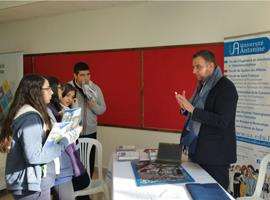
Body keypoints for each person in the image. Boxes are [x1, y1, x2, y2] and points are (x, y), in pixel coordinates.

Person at [0, 74, 76, 200]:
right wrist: (65, 141)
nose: (52, 92)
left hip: (30, 181)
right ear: (35, 92)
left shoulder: (28, 111)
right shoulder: (31, 118)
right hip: (30, 184)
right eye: (48, 89)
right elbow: (35, 156)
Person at [175, 50, 238, 190]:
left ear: (210, 66)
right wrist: (185, 108)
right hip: (199, 152)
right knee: (196, 192)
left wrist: (192, 110)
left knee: (215, 194)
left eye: (198, 67)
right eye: (193, 67)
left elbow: (222, 121)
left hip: (216, 157)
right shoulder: (203, 86)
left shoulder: (226, 87)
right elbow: (196, 113)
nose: (194, 71)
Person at [69, 62, 106, 178]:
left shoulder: (95, 88)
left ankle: (87, 190)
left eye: (88, 74)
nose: (86, 78)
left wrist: (93, 105)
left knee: (89, 163)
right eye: (82, 75)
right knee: (75, 164)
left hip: (91, 132)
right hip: (73, 133)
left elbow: (102, 109)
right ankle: (76, 192)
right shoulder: (68, 88)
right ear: (75, 75)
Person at [47, 77, 82, 200]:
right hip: (60, 164)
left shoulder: (59, 109)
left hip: (65, 160)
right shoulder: (51, 110)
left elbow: (77, 126)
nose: (69, 99)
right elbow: (56, 137)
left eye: (72, 97)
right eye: (60, 89)